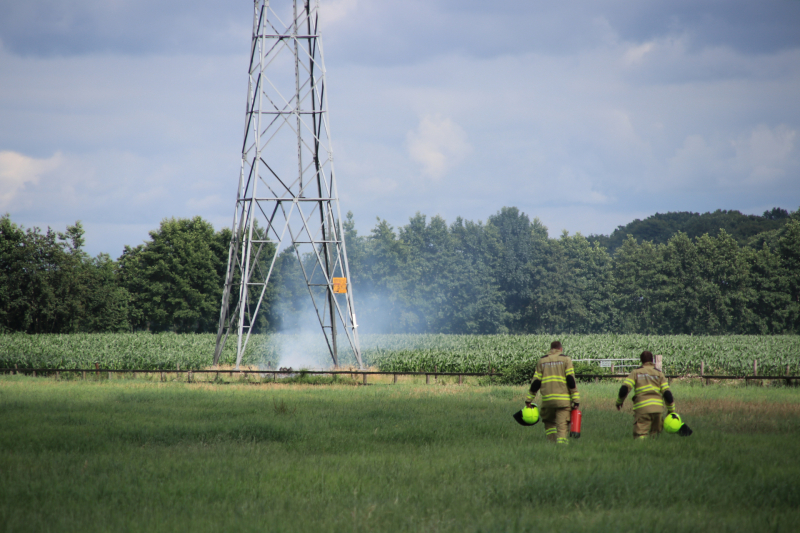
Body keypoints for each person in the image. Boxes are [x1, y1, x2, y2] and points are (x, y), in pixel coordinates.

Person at [525, 341, 580, 444]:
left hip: (547, 401)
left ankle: (551, 443)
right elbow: (570, 380)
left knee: (549, 423)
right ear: (561, 349)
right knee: (562, 425)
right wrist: (576, 400)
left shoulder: (542, 360)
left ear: (551, 349)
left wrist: (529, 399)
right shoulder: (566, 359)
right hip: (563, 401)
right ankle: (562, 446)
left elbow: (536, 382)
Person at [615, 350, 675, 439]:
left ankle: (641, 449)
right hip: (657, 409)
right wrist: (671, 410)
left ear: (641, 360)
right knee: (655, 435)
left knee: (641, 435)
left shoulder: (636, 372)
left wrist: (619, 401)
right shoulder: (659, 374)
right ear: (652, 360)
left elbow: (624, 389)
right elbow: (667, 393)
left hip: (642, 409)